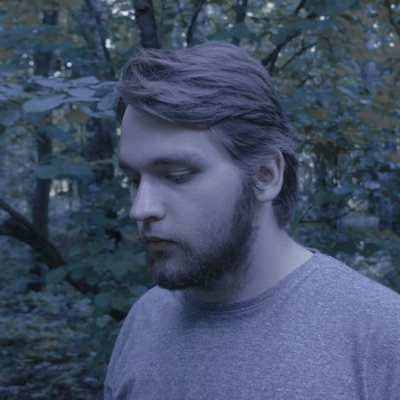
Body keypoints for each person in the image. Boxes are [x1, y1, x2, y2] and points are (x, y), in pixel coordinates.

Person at [104, 41, 400, 399]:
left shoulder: (381, 337)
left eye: (177, 175)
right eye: (134, 180)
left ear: (265, 175)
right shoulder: (144, 321)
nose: (141, 208)